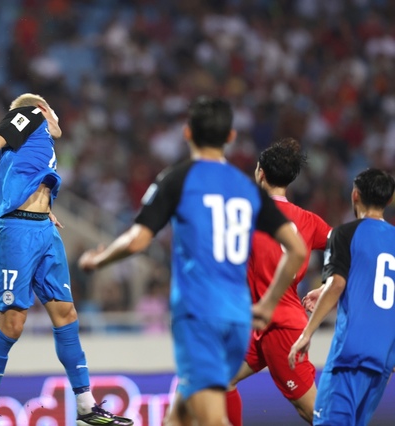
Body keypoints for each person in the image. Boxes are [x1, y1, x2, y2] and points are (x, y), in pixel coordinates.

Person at [78, 96, 307, 426]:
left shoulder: (178, 178)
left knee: (212, 418)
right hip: (237, 319)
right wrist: (269, 304)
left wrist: (99, 261)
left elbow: (139, 239)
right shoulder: (246, 187)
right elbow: (297, 250)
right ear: (230, 137)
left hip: (199, 313)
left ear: (187, 133)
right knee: (180, 414)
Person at [0, 93, 133, 426]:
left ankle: (85, 403)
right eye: (51, 110)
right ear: (42, 110)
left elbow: (15, 173)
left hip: (43, 231)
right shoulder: (28, 115)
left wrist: (47, 209)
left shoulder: (35, 146)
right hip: (17, 232)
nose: (57, 119)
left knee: (66, 314)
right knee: (13, 322)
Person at [225, 138, 331, 425]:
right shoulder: (309, 221)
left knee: (316, 414)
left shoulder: (247, 215)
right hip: (264, 324)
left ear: (260, 173)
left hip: (282, 328)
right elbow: (344, 248)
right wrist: (327, 283)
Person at [289, 168, 395, 426]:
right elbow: (369, 284)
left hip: (351, 355)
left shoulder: (344, 234)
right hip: (383, 359)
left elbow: (337, 283)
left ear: (355, 194)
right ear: (389, 200)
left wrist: (306, 333)